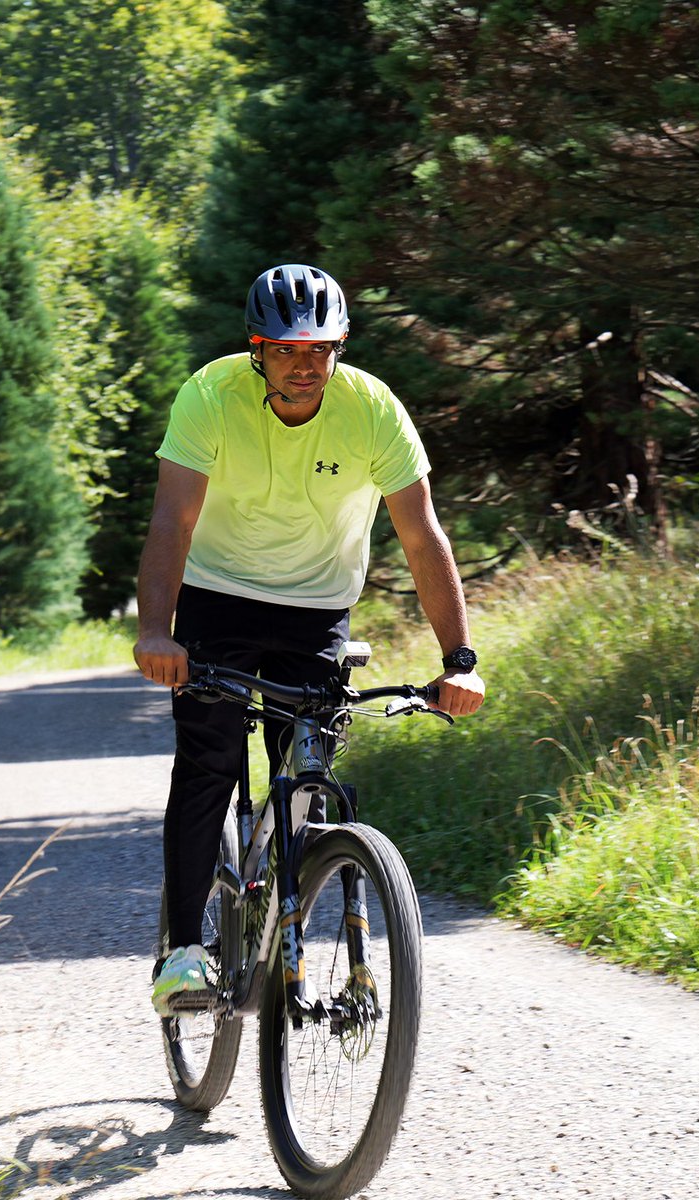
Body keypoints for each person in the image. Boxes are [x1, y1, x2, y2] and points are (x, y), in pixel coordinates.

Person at [133, 263, 485, 1014]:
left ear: (341, 348)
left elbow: (422, 538)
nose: (305, 365)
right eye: (286, 349)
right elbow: (173, 522)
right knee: (209, 760)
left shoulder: (373, 411)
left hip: (316, 608)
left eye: (321, 349)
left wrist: (459, 661)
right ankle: (185, 951)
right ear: (256, 350)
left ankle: (281, 899)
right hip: (216, 598)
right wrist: (156, 633)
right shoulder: (210, 396)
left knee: (309, 773)